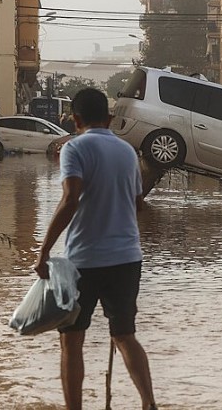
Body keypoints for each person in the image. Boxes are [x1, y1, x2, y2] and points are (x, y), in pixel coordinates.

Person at [34, 88, 157, 410]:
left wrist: (44, 251)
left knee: (71, 340)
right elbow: (138, 205)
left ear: (75, 120)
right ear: (110, 118)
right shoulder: (128, 152)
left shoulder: (73, 148)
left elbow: (69, 200)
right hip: (127, 259)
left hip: (84, 261)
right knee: (124, 335)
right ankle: (149, 404)